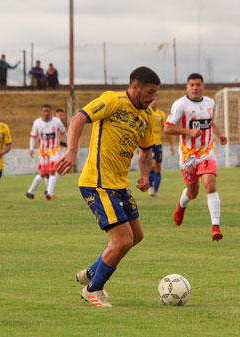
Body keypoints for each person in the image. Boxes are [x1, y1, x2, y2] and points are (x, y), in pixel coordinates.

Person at [57, 66, 160, 307]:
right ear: (135, 87)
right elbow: (78, 118)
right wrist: (72, 151)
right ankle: (93, 289)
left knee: (136, 236)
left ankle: (93, 272)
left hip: (120, 185)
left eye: (155, 93)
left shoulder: (146, 116)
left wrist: (144, 174)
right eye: (149, 92)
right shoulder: (112, 100)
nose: (153, 98)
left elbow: (146, 150)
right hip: (97, 182)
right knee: (122, 240)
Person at [164, 73, 228, 241]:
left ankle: (215, 227)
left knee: (210, 186)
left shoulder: (210, 102)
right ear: (187, 87)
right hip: (187, 156)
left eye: (198, 84)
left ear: (203, 86)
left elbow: (209, 120)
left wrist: (219, 134)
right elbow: (168, 129)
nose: (195, 88)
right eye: (192, 85)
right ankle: (181, 205)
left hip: (207, 151)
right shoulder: (180, 105)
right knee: (193, 192)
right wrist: (188, 131)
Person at [26, 104, 67, 200]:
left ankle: (49, 192)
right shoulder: (37, 122)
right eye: (44, 111)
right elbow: (33, 137)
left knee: (52, 171)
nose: (46, 113)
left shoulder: (57, 122)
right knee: (43, 173)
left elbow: (64, 133)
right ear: (41, 112)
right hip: (43, 152)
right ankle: (30, 192)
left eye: (48, 111)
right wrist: (31, 149)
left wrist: (70, 145)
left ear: (51, 112)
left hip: (54, 151)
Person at [147, 95, 174, 197]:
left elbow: (166, 131)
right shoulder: (145, 112)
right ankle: (150, 187)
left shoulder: (161, 114)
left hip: (158, 144)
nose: (154, 101)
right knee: (152, 165)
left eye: (156, 99)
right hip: (148, 144)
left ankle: (155, 191)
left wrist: (171, 145)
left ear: (158, 101)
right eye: (152, 99)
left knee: (158, 167)